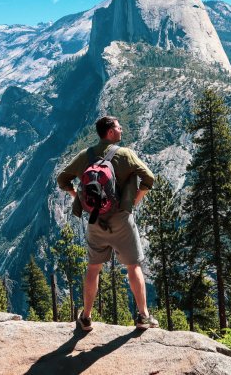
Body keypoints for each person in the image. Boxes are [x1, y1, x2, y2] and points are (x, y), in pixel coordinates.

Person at [56, 115, 159, 331]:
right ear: (110, 132)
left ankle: (86, 317)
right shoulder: (125, 155)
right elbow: (149, 177)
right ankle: (143, 317)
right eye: (119, 127)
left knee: (93, 268)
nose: (122, 130)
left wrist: (79, 198)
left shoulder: (85, 155)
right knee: (134, 266)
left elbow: (62, 179)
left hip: (95, 219)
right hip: (122, 220)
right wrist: (133, 202)